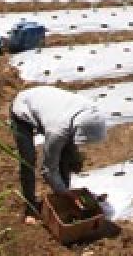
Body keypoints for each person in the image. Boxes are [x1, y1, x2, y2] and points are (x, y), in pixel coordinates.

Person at [10, 86, 108, 224]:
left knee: (68, 156)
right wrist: (66, 193)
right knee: (28, 159)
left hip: (50, 106)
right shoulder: (57, 130)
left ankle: (62, 196)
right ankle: (30, 208)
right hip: (23, 108)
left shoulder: (93, 113)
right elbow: (47, 169)